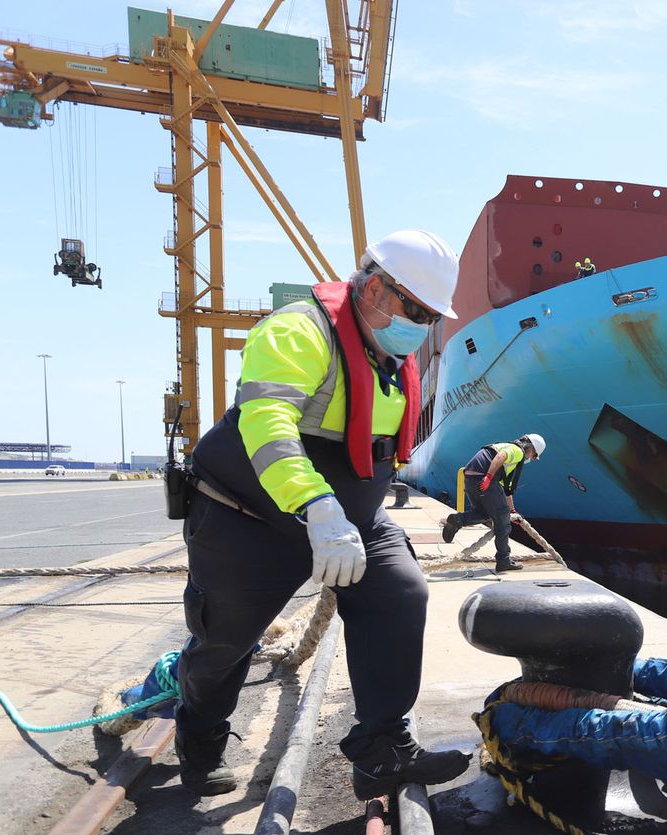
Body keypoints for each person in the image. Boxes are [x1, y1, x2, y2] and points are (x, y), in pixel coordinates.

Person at [173, 229, 472, 801]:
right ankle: (202, 734)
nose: (424, 326)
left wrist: (344, 515)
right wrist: (315, 505)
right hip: (249, 519)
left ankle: (381, 749)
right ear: (378, 290)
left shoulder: (391, 357)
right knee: (226, 640)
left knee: (400, 595)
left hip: (349, 519)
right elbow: (268, 424)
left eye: (433, 316)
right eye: (418, 310)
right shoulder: (298, 332)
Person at [441, 434, 545, 571]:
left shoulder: (505, 446)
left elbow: (504, 490)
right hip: (484, 478)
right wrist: (488, 477)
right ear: (530, 448)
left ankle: (458, 520)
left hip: (470, 478)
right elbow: (500, 456)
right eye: (534, 455)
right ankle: (504, 560)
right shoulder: (518, 451)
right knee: (502, 521)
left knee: (483, 513)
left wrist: (512, 511)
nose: (531, 458)